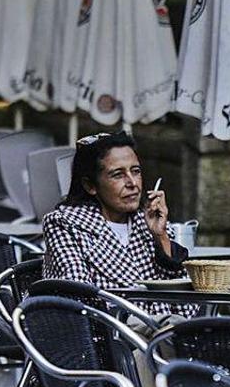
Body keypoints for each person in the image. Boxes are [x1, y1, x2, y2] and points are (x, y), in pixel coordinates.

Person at [42, 131, 190, 327]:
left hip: (164, 337)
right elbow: (81, 302)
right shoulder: (64, 224)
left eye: (136, 171)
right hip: (110, 342)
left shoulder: (149, 222)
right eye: (118, 174)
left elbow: (189, 308)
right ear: (90, 185)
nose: (132, 184)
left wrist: (161, 237)